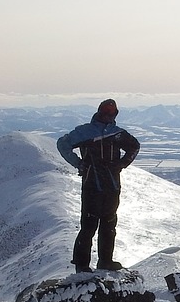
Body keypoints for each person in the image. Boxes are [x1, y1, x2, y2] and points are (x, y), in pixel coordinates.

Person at [57, 98, 140, 272]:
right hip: (92, 186)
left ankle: (105, 262)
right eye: (106, 112)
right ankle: (81, 265)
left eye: (113, 113)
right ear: (99, 112)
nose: (109, 115)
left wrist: (121, 164)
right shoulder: (85, 132)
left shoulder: (118, 133)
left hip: (112, 187)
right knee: (88, 226)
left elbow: (135, 147)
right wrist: (79, 163)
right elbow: (62, 144)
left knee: (109, 225)